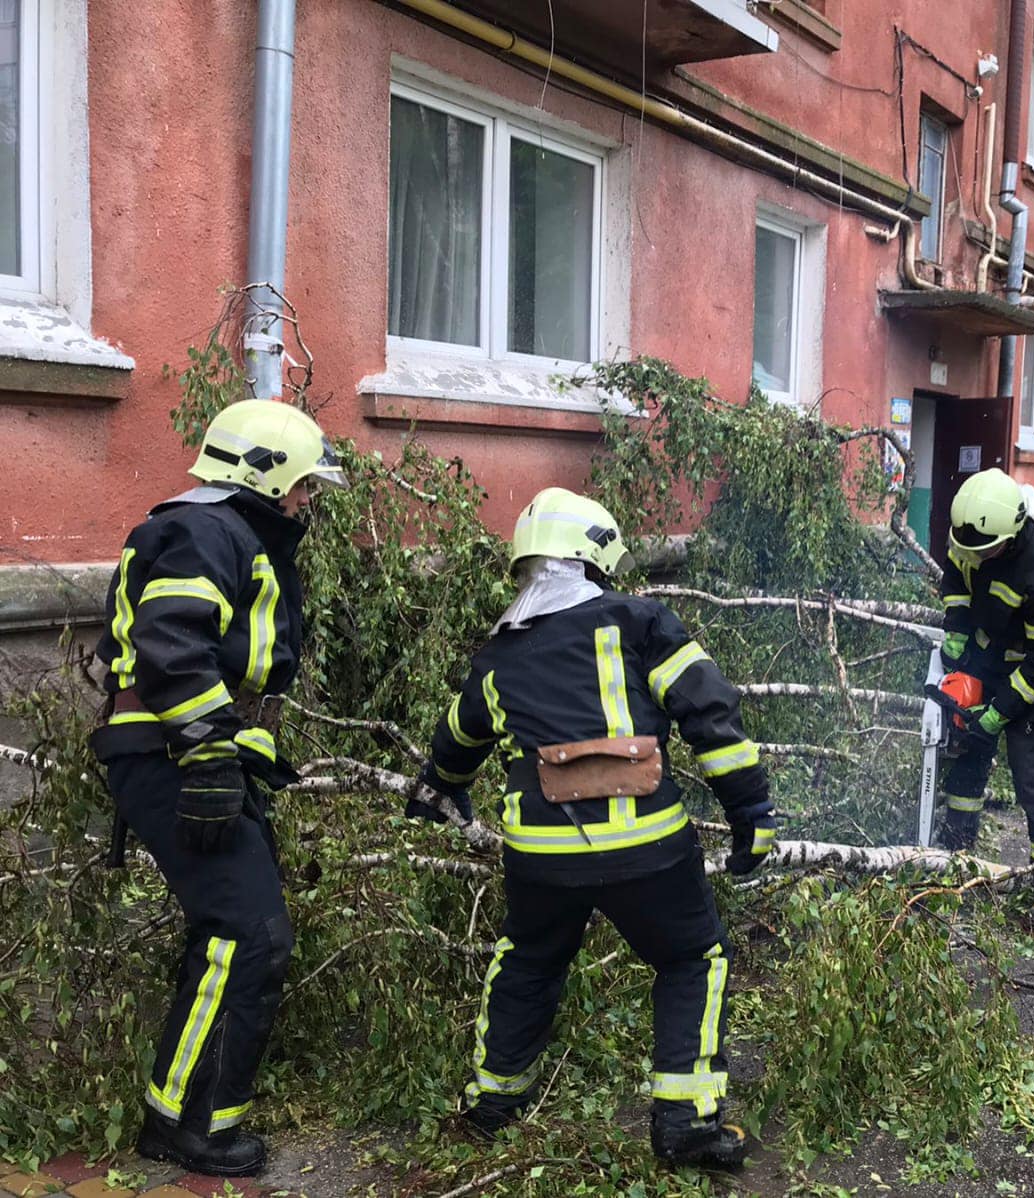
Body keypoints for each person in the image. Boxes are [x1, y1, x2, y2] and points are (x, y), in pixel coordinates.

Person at [410, 487, 776, 1170]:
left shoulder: (499, 652)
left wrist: (439, 788)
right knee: (693, 959)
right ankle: (685, 1124)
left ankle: (493, 1104)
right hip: (647, 849)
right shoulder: (640, 621)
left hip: (539, 857)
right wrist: (749, 812)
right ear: (594, 558)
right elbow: (709, 714)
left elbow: (460, 733)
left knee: (529, 960)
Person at [88, 400, 346, 1176]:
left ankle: (179, 1116)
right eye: (303, 484)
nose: (308, 500)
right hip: (175, 757)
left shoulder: (230, 534)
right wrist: (206, 760)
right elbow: (171, 643)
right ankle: (189, 1128)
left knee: (235, 933)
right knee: (248, 936)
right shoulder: (205, 531)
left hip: (195, 757)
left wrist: (236, 759)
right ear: (266, 476)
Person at [936, 468, 1034, 932]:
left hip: (1033, 671)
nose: (975, 556)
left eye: (985, 551)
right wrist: (957, 629)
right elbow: (956, 579)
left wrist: (998, 713)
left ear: (1012, 533)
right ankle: (955, 851)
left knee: (1031, 771)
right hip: (988, 653)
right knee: (965, 748)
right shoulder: (970, 535)